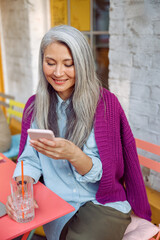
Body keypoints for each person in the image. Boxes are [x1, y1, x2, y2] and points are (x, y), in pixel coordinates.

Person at [6, 25, 151, 240]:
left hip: (103, 203)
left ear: (82, 64)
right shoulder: (35, 107)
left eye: (69, 64)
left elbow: (109, 171)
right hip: (58, 208)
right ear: (42, 62)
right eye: (50, 63)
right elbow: (30, 160)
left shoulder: (105, 104)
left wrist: (73, 154)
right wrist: (21, 187)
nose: (57, 73)